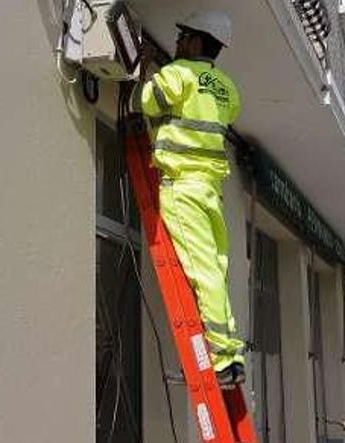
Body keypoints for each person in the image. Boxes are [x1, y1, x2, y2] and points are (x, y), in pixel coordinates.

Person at [141, 11, 245, 385]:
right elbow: (218, 107)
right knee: (215, 270)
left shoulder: (177, 73)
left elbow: (150, 102)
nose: (179, 41)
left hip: (182, 187)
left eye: (184, 36)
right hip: (210, 192)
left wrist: (150, 64)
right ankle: (230, 357)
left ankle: (219, 358)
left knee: (202, 273)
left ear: (199, 42)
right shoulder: (227, 88)